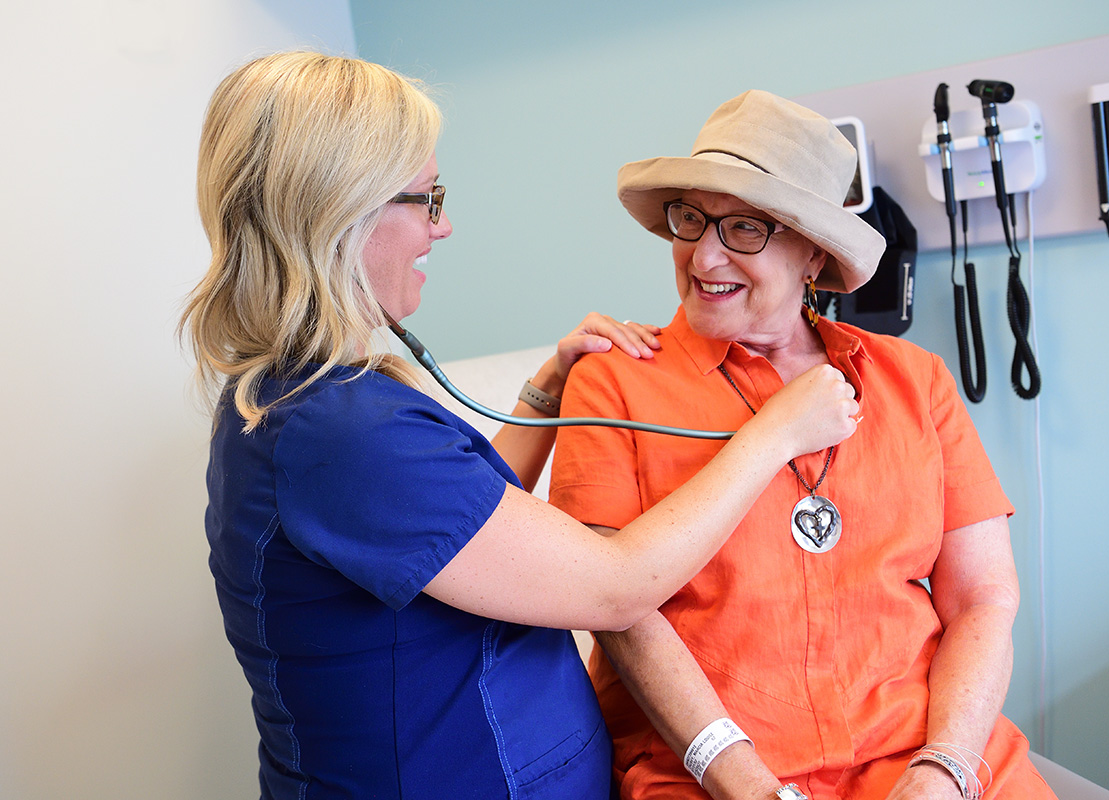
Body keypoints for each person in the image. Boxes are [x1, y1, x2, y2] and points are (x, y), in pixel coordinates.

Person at [179, 54, 860, 800]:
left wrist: (545, 391)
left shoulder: (305, 403)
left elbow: (461, 531)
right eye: (426, 198)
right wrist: (775, 435)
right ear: (341, 211)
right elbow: (615, 589)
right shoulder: (340, 434)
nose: (443, 226)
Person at [549, 91, 1056, 800]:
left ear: (813, 252)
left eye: (745, 228)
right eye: (691, 218)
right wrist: (750, 786)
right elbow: (622, 614)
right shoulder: (612, 384)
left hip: (921, 751)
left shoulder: (917, 381)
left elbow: (983, 599)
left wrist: (944, 768)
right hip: (711, 766)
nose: (705, 253)